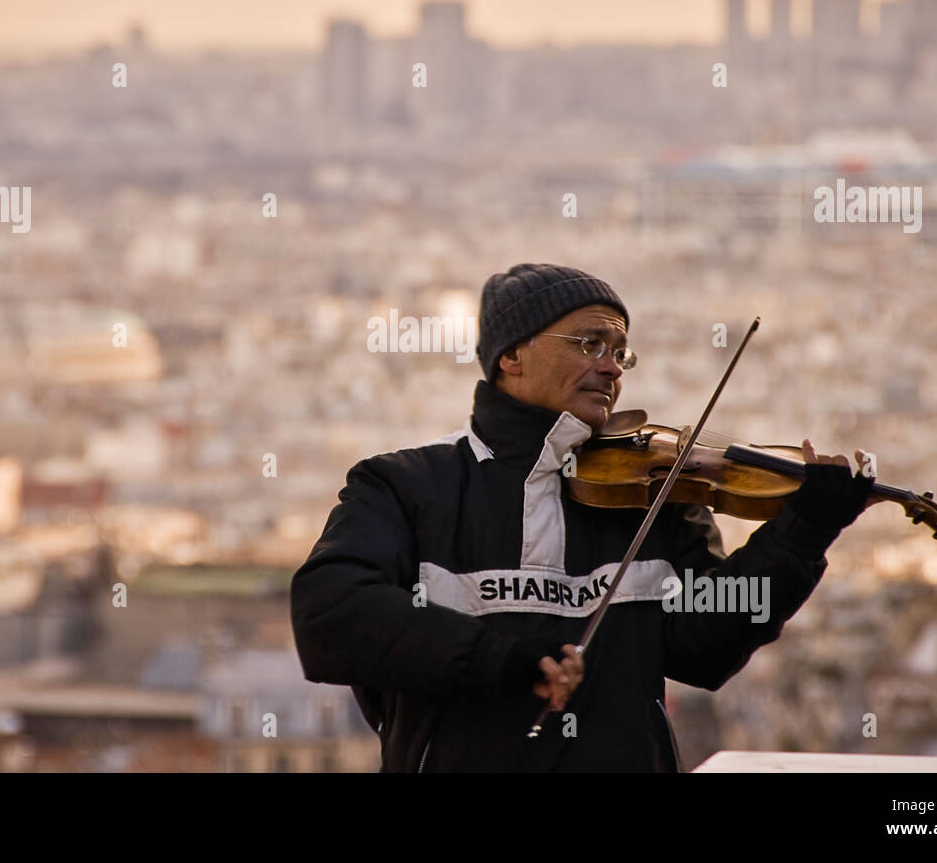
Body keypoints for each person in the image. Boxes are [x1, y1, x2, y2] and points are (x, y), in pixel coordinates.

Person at [290, 263, 875, 771]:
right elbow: (330, 615)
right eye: (589, 343)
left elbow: (707, 646)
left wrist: (802, 533)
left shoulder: (653, 495)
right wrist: (502, 657)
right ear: (512, 356)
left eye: (620, 353)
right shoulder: (405, 485)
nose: (613, 369)